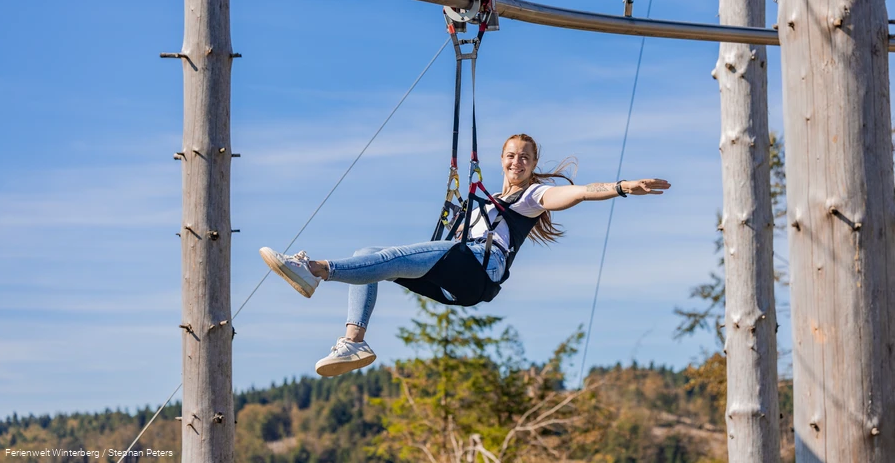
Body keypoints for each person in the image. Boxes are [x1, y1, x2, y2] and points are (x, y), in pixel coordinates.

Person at [259, 133, 671, 377]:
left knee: (395, 254)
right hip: (456, 280)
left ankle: (314, 270)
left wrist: (619, 187)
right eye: (510, 155)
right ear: (502, 160)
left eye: (524, 157)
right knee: (370, 255)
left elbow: (575, 193)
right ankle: (354, 344)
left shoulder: (532, 197)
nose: (517, 161)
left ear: (533, 164)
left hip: (475, 270)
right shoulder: (487, 200)